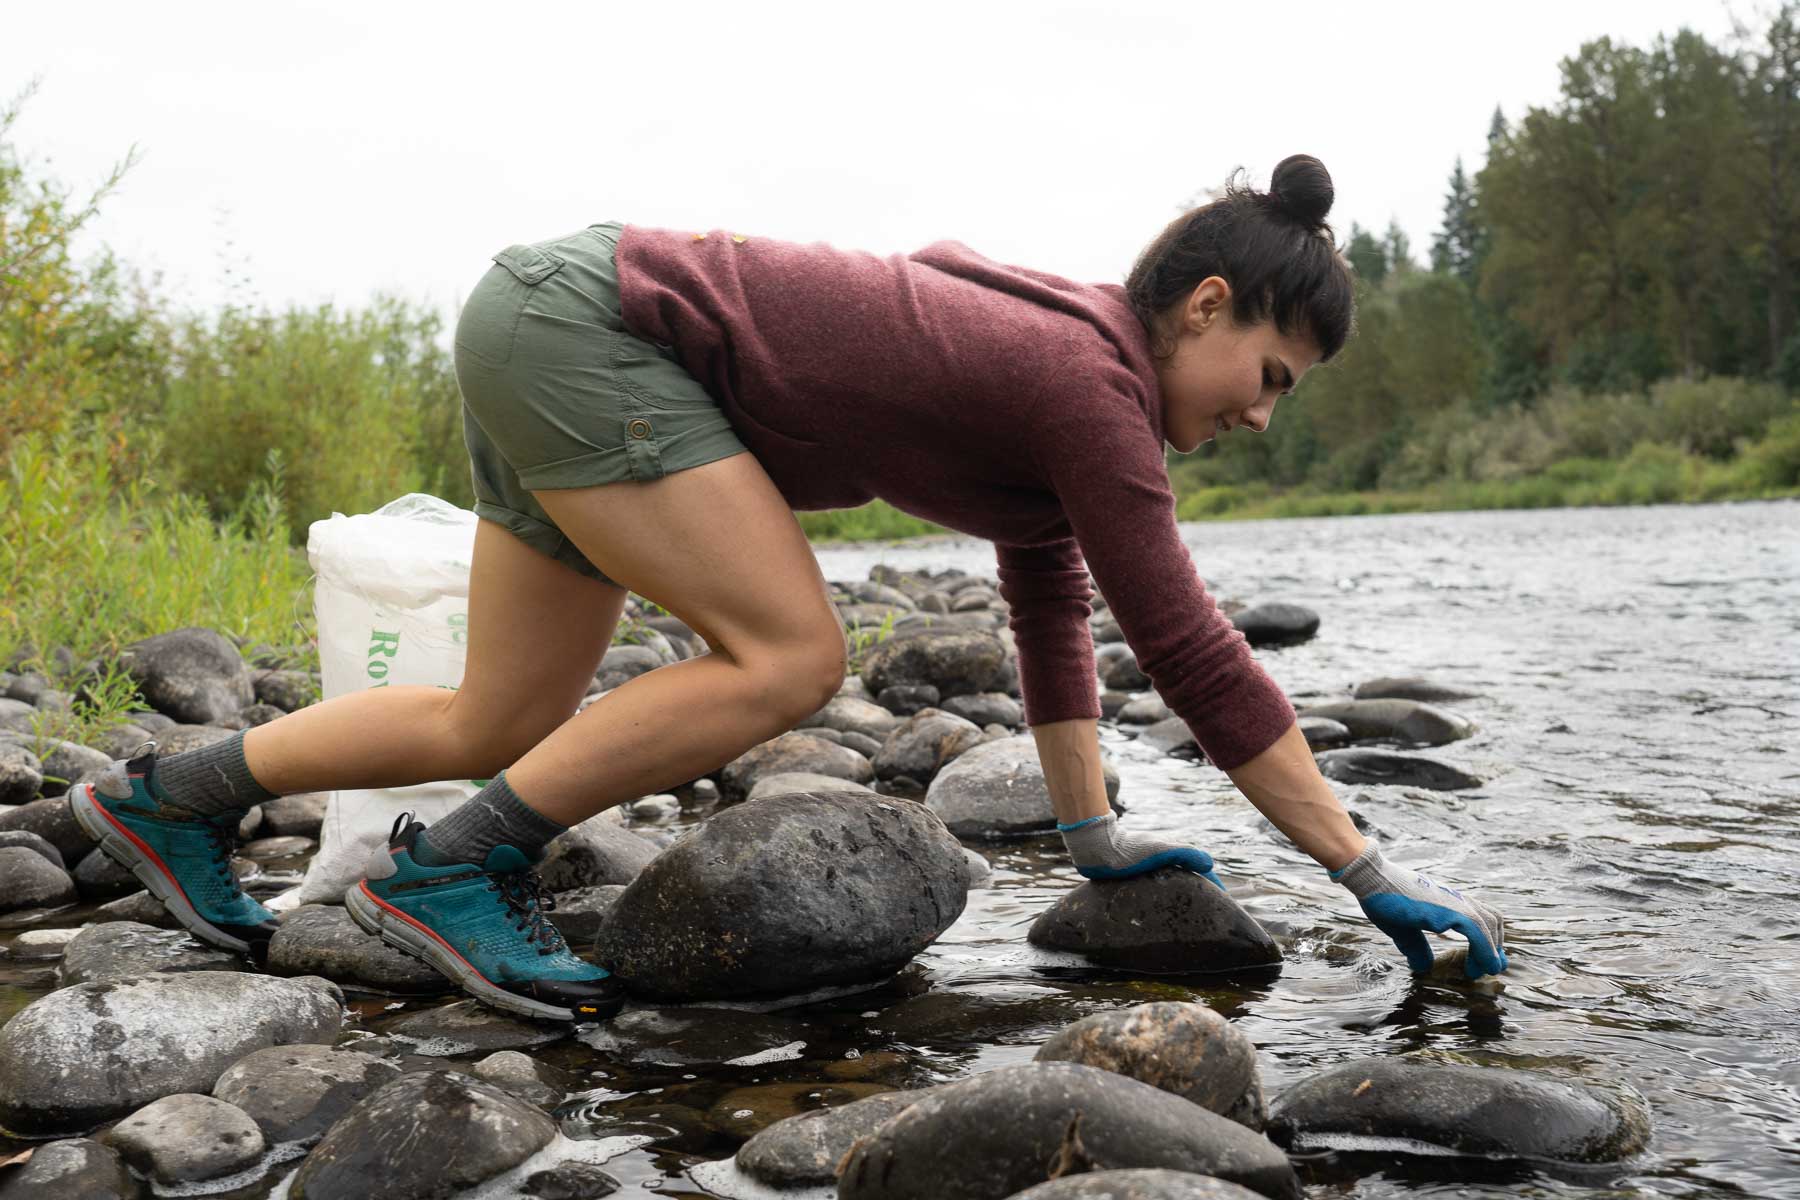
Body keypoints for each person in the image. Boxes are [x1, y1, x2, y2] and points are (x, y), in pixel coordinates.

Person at [66, 154, 1508, 1022]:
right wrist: (1364, 868)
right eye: (1269, 378)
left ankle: (151, 803)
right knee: (788, 656)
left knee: (488, 715)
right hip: (593, 333)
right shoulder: (1091, 386)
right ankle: (451, 874)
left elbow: (1054, 607)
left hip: (550, 317)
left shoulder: (1072, 387)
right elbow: (1192, 654)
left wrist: (1093, 837)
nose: (1264, 413)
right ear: (1207, 308)